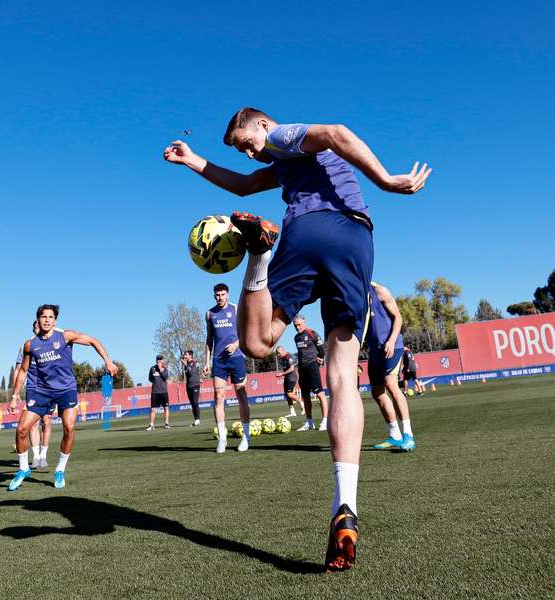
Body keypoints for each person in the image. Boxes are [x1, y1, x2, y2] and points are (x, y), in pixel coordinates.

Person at [164, 107, 431, 571]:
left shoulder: (282, 135)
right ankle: (344, 507)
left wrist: (387, 181)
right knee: (335, 372)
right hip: (352, 238)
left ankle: (260, 256)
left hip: (315, 227)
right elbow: (246, 185)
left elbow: (336, 133)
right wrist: (195, 161)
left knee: (260, 341)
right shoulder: (287, 160)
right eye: (243, 149)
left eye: (246, 141)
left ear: (262, 124)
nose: (248, 151)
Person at [7, 304, 116, 491]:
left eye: (50, 317)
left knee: (69, 427)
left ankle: (60, 469)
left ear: (55, 320)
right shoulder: (30, 344)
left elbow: (92, 341)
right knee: (21, 429)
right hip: (40, 391)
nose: (47, 320)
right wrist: (15, 395)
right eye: (43, 317)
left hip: (66, 389)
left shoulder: (65, 335)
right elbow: (23, 370)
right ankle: (23, 468)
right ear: (38, 320)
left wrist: (108, 361)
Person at [365, 282, 416, 452]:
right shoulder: (354, 295)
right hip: (374, 351)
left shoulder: (379, 291)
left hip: (391, 347)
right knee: (377, 393)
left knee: (391, 385)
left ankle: (408, 435)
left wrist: (392, 341)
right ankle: (395, 435)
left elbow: (398, 317)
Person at [204, 283, 251, 453]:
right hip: (219, 360)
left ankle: (246, 436)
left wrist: (236, 344)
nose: (220, 297)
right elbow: (209, 340)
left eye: (223, 294)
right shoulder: (210, 314)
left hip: (236, 358)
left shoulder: (236, 309)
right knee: (218, 396)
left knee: (241, 394)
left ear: (228, 295)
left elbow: (246, 332)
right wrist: (206, 362)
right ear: (214, 296)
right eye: (217, 295)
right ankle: (222, 439)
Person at [10, 320, 53, 469]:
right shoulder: (25, 346)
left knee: (46, 422)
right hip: (33, 389)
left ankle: (43, 454)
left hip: (50, 389)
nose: (38, 328)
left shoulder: (51, 344)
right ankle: (35, 457)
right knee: (33, 423)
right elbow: (18, 369)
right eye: (35, 326)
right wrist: (15, 392)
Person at [293, 316, 329, 431]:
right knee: (305, 396)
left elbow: (321, 349)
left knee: (319, 394)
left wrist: (320, 357)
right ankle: (309, 422)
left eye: (299, 324)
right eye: (295, 325)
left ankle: (325, 421)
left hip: (312, 366)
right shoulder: (296, 337)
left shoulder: (312, 333)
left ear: (304, 323)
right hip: (302, 368)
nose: (297, 327)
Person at [146, 355, 170, 430]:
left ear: (162, 360)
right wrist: (156, 382)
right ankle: (151, 425)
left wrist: (160, 369)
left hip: (163, 391)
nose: (159, 361)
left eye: (160, 360)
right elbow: (150, 378)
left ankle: (166, 423)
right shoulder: (152, 368)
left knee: (166, 407)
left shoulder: (165, 368)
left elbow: (165, 377)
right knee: (153, 409)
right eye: (157, 360)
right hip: (155, 392)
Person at [274, 346, 298, 418]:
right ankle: (292, 412)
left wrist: (282, 374)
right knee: (287, 395)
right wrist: (283, 374)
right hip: (287, 378)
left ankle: (302, 404)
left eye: (279, 353)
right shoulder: (283, 358)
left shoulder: (289, 357)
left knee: (290, 394)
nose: (278, 355)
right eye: (277, 354)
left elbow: (292, 369)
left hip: (292, 377)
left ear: (283, 350)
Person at [182, 350, 201, 426]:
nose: (185, 356)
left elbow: (191, 373)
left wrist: (185, 365)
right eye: (185, 355)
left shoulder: (194, 362)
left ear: (190, 356)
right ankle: (196, 419)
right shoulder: (187, 364)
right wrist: (185, 365)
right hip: (189, 386)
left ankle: (197, 419)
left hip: (195, 385)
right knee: (192, 403)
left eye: (186, 355)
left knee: (195, 402)